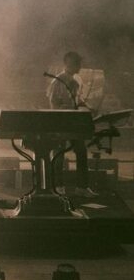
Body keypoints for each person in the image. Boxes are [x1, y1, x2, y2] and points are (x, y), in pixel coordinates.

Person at [46, 51, 91, 193]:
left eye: (79, 63)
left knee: (81, 151)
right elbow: (53, 105)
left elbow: (78, 101)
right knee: (59, 154)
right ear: (68, 64)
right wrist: (65, 109)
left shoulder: (76, 82)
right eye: (77, 63)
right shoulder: (57, 82)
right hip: (60, 123)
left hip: (74, 123)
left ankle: (82, 187)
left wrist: (87, 107)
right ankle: (58, 186)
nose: (79, 66)